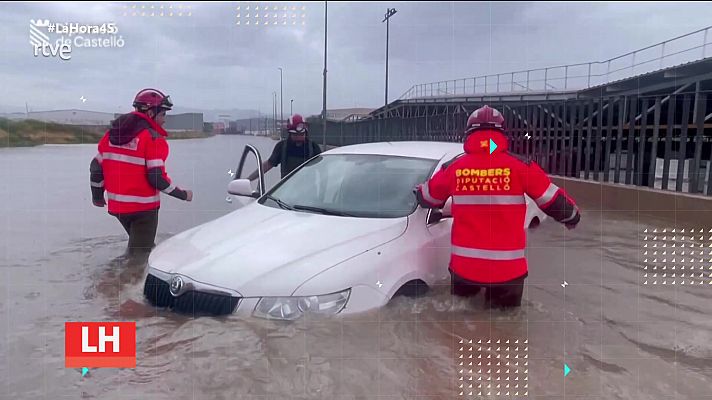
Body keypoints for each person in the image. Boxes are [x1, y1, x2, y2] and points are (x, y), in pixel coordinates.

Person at [415, 105, 581, 309]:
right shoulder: (521, 166)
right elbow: (553, 201)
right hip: (507, 271)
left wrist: (418, 192)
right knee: (506, 328)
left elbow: (429, 198)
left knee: (460, 323)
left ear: (469, 134)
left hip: (465, 268)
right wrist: (572, 218)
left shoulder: (454, 167)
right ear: (502, 134)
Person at [89, 88, 193, 253]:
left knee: (139, 248)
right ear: (151, 113)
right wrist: (183, 194)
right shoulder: (152, 139)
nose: (165, 120)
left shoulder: (111, 136)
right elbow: (156, 178)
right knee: (140, 256)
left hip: (118, 208)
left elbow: (96, 167)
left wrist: (97, 197)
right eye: (163, 114)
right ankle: (126, 278)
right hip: (143, 210)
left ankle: (122, 277)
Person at [248, 113, 321, 181]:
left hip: (308, 191)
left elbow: (323, 169)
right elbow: (267, 165)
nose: (299, 137)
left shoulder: (314, 148)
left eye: (302, 134)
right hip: (286, 191)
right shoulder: (282, 147)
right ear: (289, 134)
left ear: (306, 132)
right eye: (295, 135)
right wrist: (248, 180)